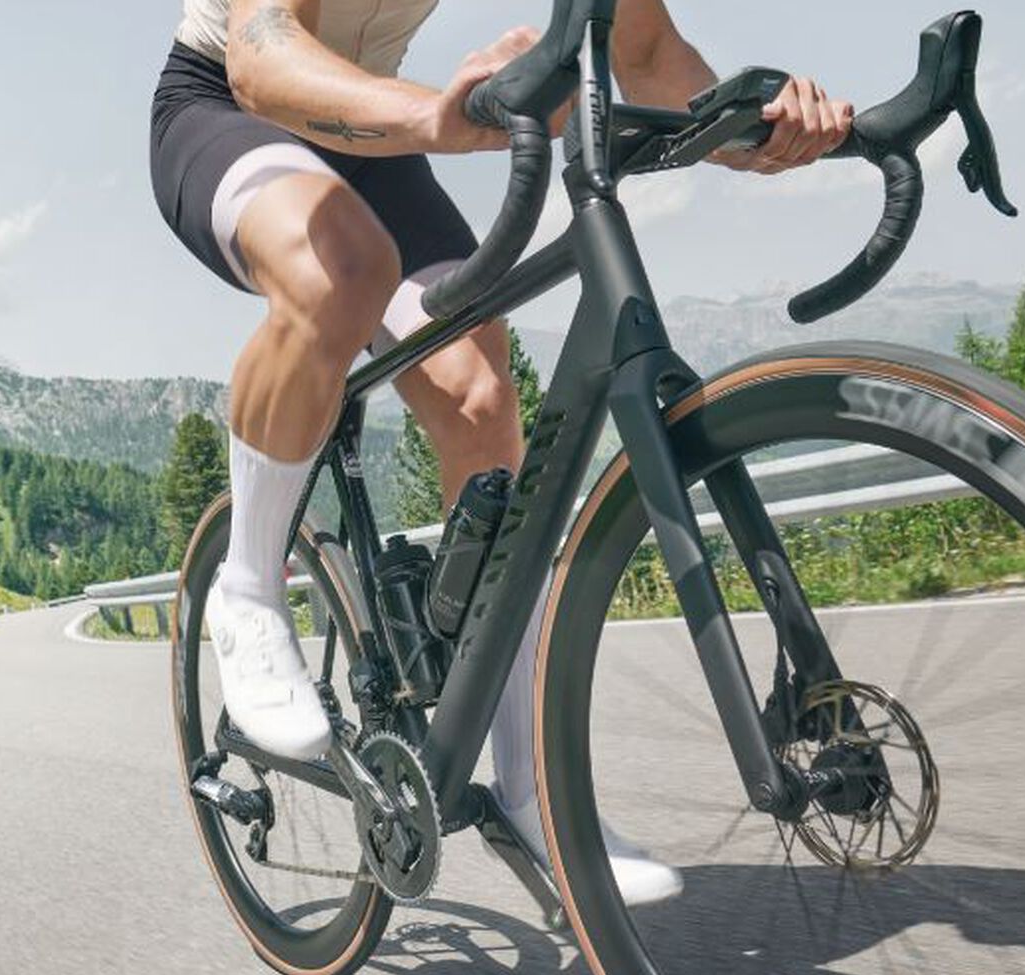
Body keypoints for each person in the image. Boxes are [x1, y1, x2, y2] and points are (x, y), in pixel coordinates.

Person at [150, 0, 851, 904]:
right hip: (223, 111)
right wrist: (431, 116)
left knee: (483, 399)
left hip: (371, 140)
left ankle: (534, 802)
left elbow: (642, 45)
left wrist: (755, 133)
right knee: (343, 271)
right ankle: (247, 588)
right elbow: (259, 55)